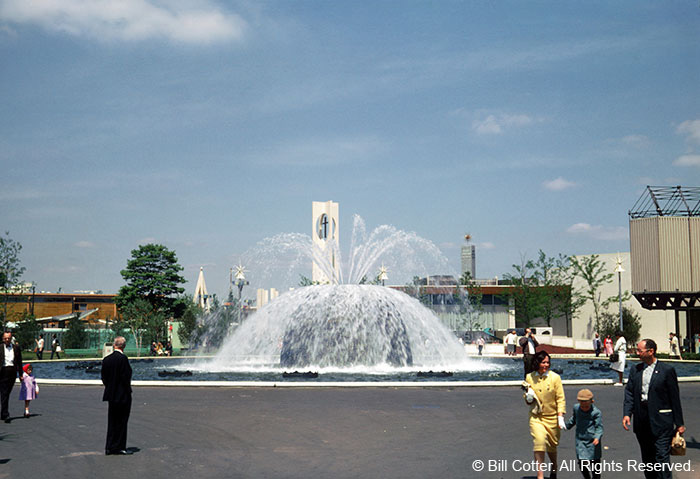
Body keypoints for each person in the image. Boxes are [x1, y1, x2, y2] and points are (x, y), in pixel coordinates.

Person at [623, 339, 685, 479]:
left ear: (651, 351)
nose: (636, 353)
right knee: (648, 458)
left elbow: (674, 398)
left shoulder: (667, 371)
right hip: (642, 421)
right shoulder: (635, 370)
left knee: (662, 456)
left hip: (662, 421)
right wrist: (627, 414)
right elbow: (630, 393)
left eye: (639, 350)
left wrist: (679, 423)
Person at [523, 351, 566, 479]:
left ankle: (554, 466)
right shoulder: (530, 377)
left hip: (552, 417)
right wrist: (528, 397)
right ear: (537, 363)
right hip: (537, 416)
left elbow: (560, 398)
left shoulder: (555, 377)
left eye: (547, 362)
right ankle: (540, 475)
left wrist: (560, 416)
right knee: (539, 442)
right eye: (543, 362)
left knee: (552, 446)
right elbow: (527, 400)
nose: (546, 365)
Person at [101, 336, 133, 455]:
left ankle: (109, 446)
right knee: (122, 421)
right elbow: (126, 376)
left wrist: (109, 386)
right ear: (123, 346)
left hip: (111, 394)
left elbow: (104, 378)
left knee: (112, 420)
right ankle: (119, 446)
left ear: (114, 345)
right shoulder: (123, 359)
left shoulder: (107, 359)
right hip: (123, 395)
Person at [565, 389, 603, 479]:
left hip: (593, 440)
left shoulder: (596, 412)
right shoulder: (576, 408)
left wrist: (597, 437)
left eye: (586, 406)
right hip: (581, 440)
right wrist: (566, 426)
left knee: (595, 464)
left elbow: (599, 427)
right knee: (582, 462)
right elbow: (574, 419)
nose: (584, 408)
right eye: (582, 406)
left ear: (592, 402)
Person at [0, 331, 24, 422]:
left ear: (11, 339)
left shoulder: (16, 348)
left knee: (6, 393)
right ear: (3, 338)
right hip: (2, 372)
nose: (7, 340)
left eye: (8, 338)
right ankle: (5, 414)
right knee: (4, 393)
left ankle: (3, 413)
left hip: (12, 372)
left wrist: (21, 374)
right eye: (5, 338)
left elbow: (19, 361)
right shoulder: (0, 347)